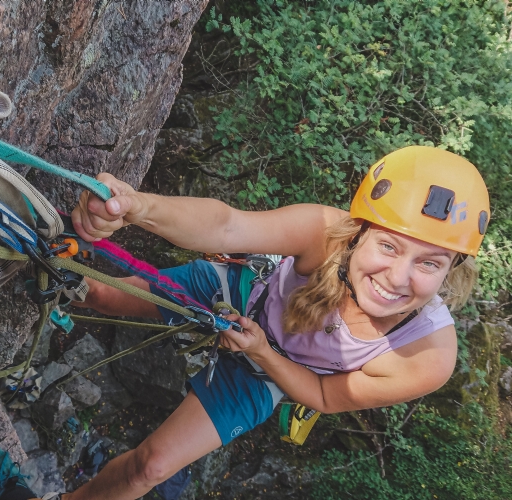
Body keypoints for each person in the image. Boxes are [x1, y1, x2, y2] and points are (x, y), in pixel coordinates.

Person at [34, 145, 490, 500]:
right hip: (240, 293)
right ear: (359, 234)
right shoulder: (324, 234)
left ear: (453, 271)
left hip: (269, 371)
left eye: (430, 263)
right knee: (102, 295)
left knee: (150, 469)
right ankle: (48, 274)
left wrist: (260, 352)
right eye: (388, 247)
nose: (398, 278)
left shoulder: (426, 356)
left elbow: (325, 395)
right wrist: (138, 207)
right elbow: (228, 226)